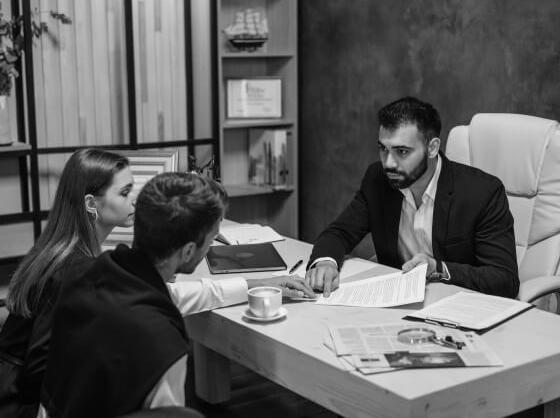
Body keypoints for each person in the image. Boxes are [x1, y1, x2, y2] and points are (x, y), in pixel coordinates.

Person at [39, 172, 315, 418]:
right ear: (188, 251)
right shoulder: (161, 339)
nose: (212, 246)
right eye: (212, 240)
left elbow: (183, 294)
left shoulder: (93, 275)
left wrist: (259, 283)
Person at [305, 96, 519, 298]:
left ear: (432, 148)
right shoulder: (378, 179)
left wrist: (438, 268)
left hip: (458, 306)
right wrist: (325, 262)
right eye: (383, 149)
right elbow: (340, 232)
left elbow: (504, 279)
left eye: (402, 152)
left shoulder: (482, 193)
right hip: (397, 301)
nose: (388, 163)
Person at [0, 148, 136, 418]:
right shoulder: (74, 268)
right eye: (125, 192)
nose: (135, 199)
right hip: (20, 403)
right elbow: (40, 366)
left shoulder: (62, 250)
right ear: (90, 204)